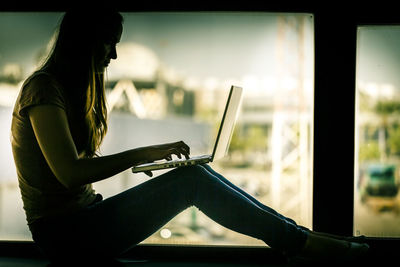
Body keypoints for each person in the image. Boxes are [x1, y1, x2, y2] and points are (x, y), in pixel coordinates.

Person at [10, 8, 369, 265]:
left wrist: (146, 156)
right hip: (65, 236)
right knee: (191, 182)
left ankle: (302, 239)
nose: (114, 54)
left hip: (84, 220)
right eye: (109, 42)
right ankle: (304, 244)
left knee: (195, 175)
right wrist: (145, 152)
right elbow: (69, 173)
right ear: (85, 40)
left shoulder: (65, 92)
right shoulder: (42, 89)